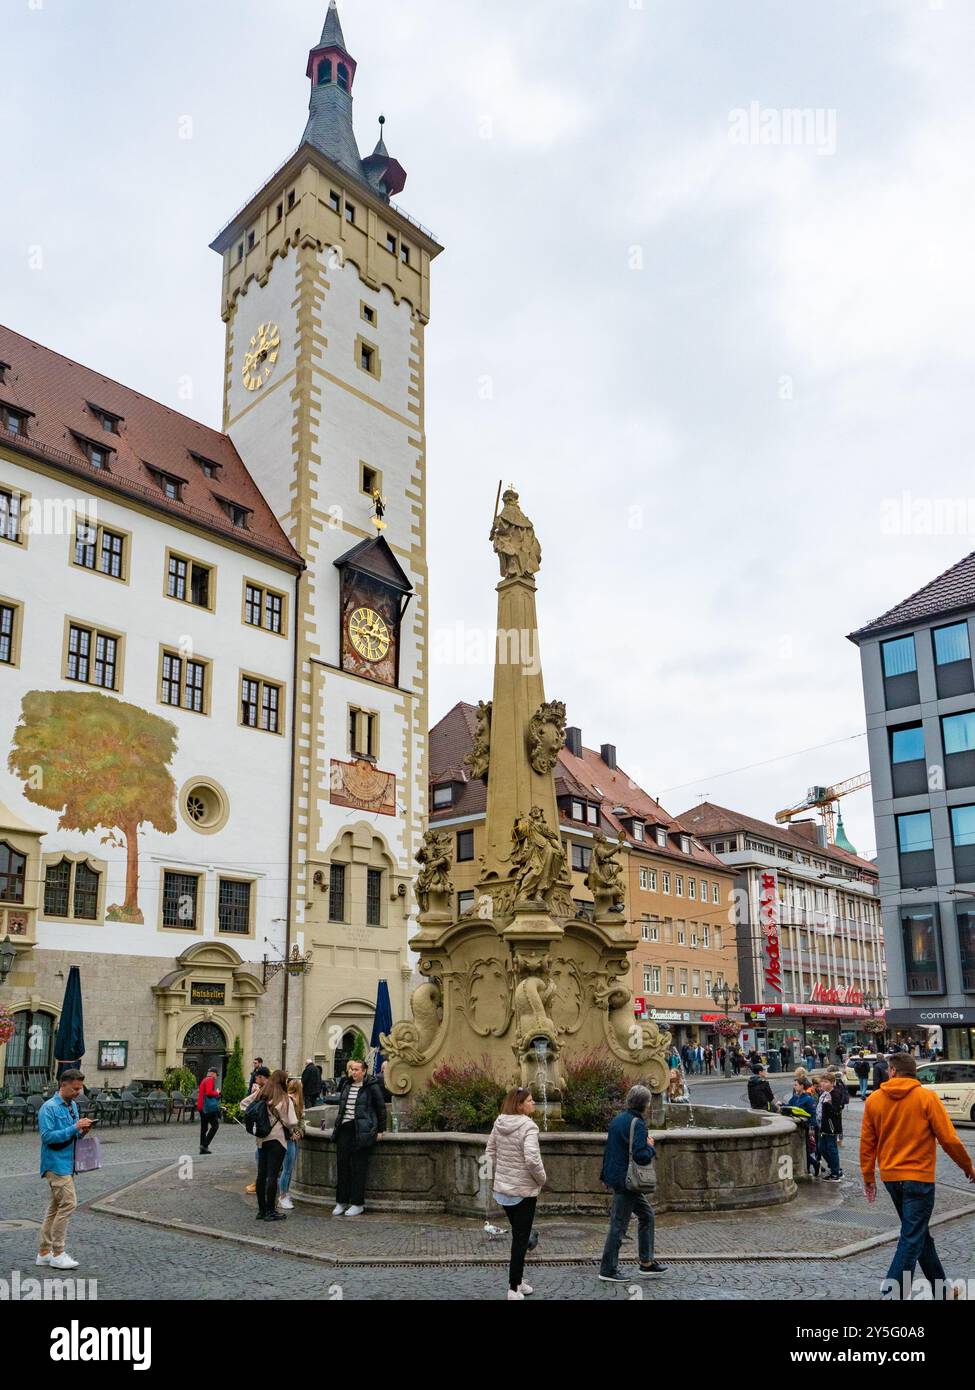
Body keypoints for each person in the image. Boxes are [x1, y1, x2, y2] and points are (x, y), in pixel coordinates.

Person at [861, 1051, 975, 1296]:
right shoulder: (926, 1098)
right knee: (913, 1236)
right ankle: (892, 1292)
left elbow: (867, 1143)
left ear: (892, 1071)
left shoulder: (874, 1100)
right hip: (920, 1178)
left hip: (891, 1177)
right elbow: (949, 1139)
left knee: (919, 1235)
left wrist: (868, 1177)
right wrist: (968, 1167)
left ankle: (942, 1290)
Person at [598, 1085, 667, 1282]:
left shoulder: (618, 1119)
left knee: (647, 1215)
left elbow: (609, 1150)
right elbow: (641, 1156)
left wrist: (605, 1176)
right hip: (627, 1181)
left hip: (617, 1177)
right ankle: (608, 1270)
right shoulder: (638, 1124)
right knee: (618, 1226)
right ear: (645, 1104)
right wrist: (651, 1147)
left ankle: (646, 1263)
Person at [484, 1086, 546, 1300]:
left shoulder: (499, 1122)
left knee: (520, 1235)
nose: (533, 1103)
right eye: (530, 1101)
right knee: (520, 1239)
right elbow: (531, 1159)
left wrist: (500, 1174)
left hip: (504, 1192)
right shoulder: (529, 1127)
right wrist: (542, 1178)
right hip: (523, 1191)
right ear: (519, 1105)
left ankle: (518, 1281)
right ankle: (513, 1288)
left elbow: (489, 1152)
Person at [36, 1068, 94, 1271]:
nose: (78, 1092)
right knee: (69, 1204)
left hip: (67, 1163)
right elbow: (48, 1137)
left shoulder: (73, 1106)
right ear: (63, 1085)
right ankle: (58, 1253)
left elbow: (72, 1136)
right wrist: (74, 1127)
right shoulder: (49, 1108)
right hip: (55, 1164)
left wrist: (83, 1131)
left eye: (80, 1088)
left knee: (54, 1208)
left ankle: (44, 1253)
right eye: (75, 1088)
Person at [323, 1058, 387, 1217]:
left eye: (357, 1069)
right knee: (342, 1166)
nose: (353, 1072)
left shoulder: (371, 1087)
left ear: (364, 1071)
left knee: (359, 1167)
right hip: (345, 1129)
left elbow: (381, 1109)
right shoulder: (346, 1084)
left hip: (362, 1131)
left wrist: (380, 1130)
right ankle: (341, 1202)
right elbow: (342, 1107)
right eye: (352, 1069)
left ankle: (357, 1203)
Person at [240, 1068, 297, 1222]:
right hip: (277, 1139)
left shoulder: (261, 1093)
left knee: (261, 1174)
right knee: (273, 1175)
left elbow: (244, 1104)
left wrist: (261, 1117)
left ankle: (261, 1210)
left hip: (261, 1138)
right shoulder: (283, 1098)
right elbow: (292, 1121)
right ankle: (271, 1211)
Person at [244, 1065, 271, 1195]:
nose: (255, 1078)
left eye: (257, 1076)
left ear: (262, 1077)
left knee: (261, 1158)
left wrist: (254, 1114)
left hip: (265, 1132)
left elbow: (244, 1104)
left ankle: (262, 1185)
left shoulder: (263, 1091)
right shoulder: (272, 1089)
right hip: (271, 1133)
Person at [278, 1078, 304, 1212]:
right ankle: (282, 1196)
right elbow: (284, 1120)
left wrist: (299, 1131)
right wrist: (292, 1132)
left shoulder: (297, 1102)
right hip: (288, 1139)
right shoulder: (289, 1101)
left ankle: (285, 1193)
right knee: (287, 1169)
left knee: (288, 1168)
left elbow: (300, 1120)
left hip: (292, 1138)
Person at [816, 1076, 842, 1180]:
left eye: (825, 1082)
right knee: (821, 1148)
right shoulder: (824, 1094)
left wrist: (827, 1103)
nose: (822, 1084)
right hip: (823, 1125)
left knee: (831, 1149)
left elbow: (836, 1111)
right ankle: (835, 1168)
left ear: (832, 1083)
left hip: (831, 1127)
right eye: (822, 1081)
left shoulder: (835, 1094)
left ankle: (835, 1173)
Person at [197, 1066, 221, 1155]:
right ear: (213, 1074)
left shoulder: (204, 1080)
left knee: (204, 1128)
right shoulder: (210, 1079)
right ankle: (205, 1145)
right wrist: (217, 1093)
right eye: (216, 1075)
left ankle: (202, 1148)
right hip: (208, 1108)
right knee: (215, 1126)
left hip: (201, 1107)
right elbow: (209, 1093)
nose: (216, 1077)